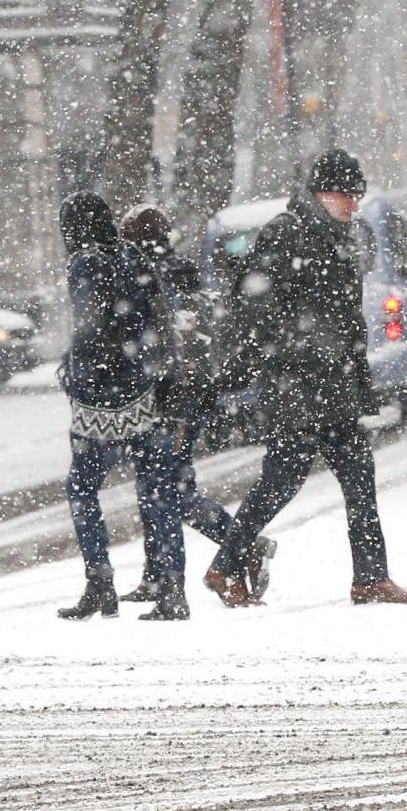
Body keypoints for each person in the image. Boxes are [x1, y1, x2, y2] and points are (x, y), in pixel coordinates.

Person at [208, 150, 407, 608]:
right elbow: (260, 310)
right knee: (282, 480)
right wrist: (300, 352)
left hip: (333, 385)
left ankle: (371, 577)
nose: (353, 202)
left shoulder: (338, 235)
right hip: (298, 387)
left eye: (357, 194)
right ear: (321, 192)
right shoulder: (286, 233)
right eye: (346, 194)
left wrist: (353, 375)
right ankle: (225, 566)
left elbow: (344, 320)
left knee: (358, 478)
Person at [115, 203, 274, 603]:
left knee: (170, 491)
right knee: (158, 487)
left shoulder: (156, 279)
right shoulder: (178, 275)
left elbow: (172, 346)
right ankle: (156, 576)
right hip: (185, 396)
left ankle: (243, 545)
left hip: (173, 399)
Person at [55, 193, 188, 621]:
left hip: (99, 397)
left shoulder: (84, 263)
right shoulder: (133, 257)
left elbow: (89, 325)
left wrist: (73, 369)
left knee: (81, 488)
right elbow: (159, 315)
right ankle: (172, 588)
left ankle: (100, 581)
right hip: (143, 390)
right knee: (157, 491)